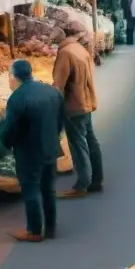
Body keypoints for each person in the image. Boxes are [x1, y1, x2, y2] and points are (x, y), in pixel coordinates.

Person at [1, 60, 65, 242]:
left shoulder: (17, 98)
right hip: (50, 148)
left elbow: (12, 129)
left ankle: (35, 230)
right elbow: (61, 120)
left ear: (14, 77)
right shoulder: (52, 91)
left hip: (29, 153)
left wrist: (5, 143)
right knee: (48, 189)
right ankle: (51, 227)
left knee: (30, 191)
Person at [53, 25, 103, 197]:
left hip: (73, 105)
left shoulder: (65, 53)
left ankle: (82, 184)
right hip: (86, 101)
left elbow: (59, 84)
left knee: (77, 144)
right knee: (90, 139)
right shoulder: (80, 49)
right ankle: (96, 179)